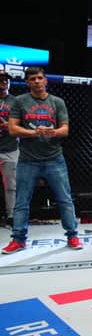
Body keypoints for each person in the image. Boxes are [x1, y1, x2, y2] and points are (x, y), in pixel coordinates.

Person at [1, 66, 82, 254]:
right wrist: (34, 132)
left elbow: (65, 129)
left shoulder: (57, 102)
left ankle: (73, 236)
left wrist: (52, 131)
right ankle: (19, 240)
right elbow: (12, 129)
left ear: (45, 80)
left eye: (39, 78)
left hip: (54, 158)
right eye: (32, 79)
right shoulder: (20, 101)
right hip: (27, 159)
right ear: (27, 82)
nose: (36, 81)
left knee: (65, 199)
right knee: (21, 201)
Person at [0, 70, 18, 226]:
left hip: (10, 148)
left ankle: (11, 216)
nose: (4, 82)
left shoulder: (16, 101)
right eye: (0, 79)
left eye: (6, 80)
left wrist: (9, 125)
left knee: (11, 184)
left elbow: (23, 122)